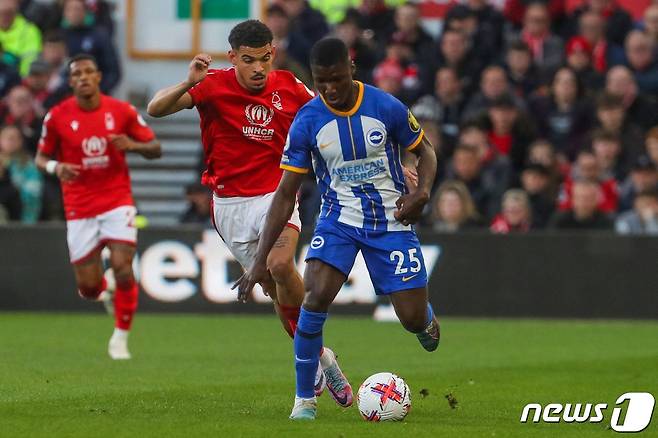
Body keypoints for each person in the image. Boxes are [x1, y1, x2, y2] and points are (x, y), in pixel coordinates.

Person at [234, 38, 440, 421]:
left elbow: (424, 150)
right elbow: (284, 194)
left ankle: (424, 318)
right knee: (314, 298)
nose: (330, 88)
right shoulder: (309, 120)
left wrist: (423, 192)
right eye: (321, 80)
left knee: (411, 319)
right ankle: (304, 401)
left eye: (336, 78)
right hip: (338, 219)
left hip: (390, 220)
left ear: (351, 69)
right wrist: (258, 261)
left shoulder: (385, 106)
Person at [147, 20, 350, 405]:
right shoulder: (212, 85)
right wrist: (189, 81)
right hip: (228, 206)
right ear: (232, 58)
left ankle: (309, 363)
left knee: (278, 264)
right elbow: (155, 109)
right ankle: (320, 357)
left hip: (277, 193)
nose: (258, 68)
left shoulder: (290, 87)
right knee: (275, 292)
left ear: (272, 53)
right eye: (248, 60)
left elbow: (332, 118)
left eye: (264, 59)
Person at [34, 54, 161, 359]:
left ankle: (120, 337)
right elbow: (40, 158)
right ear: (70, 80)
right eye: (76, 74)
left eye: (89, 72)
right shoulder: (57, 117)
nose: (83, 78)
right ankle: (105, 290)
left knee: (122, 266)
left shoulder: (121, 111)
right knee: (89, 289)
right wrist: (55, 167)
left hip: (117, 200)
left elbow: (155, 148)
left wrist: (134, 146)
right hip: (79, 207)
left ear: (99, 76)